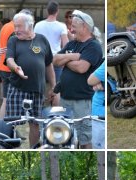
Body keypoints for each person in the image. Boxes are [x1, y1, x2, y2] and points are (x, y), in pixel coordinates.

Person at [6, 11, 56, 147]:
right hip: (17, 88)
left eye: (19, 27)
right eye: (15, 26)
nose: (16, 30)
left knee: (36, 124)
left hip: (37, 90)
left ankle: (33, 149)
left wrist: (54, 86)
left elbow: (49, 64)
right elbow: (9, 59)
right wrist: (16, 68)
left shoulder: (42, 40)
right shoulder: (13, 40)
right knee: (11, 123)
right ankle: (8, 148)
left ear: (30, 26)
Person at [53, 10, 103, 149]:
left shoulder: (93, 46)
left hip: (82, 100)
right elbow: (55, 60)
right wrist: (73, 56)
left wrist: (66, 59)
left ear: (85, 27)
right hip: (65, 98)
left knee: (84, 137)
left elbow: (82, 68)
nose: (71, 29)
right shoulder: (72, 44)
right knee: (64, 135)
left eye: (74, 26)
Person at [34, 0, 68, 88]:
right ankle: (55, 100)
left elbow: (33, 42)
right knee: (56, 87)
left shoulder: (38, 25)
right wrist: (65, 59)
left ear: (47, 11)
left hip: (40, 58)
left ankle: (40, 101)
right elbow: (66, 45)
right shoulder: (62, 26)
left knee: (39, 86)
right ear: (57, 11)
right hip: (55, 59)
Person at [87, 60, 105, 149]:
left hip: (101, 116)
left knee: (98, 145)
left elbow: (90, 80)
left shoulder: (108, 62)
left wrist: (101, 82)